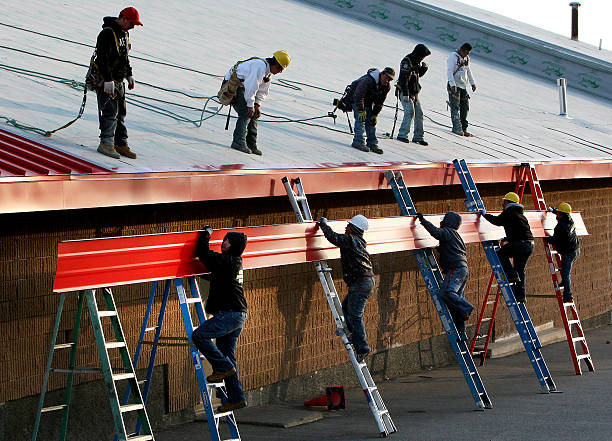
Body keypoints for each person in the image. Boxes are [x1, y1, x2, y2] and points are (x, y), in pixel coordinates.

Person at [191, 226, 248, 412]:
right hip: (235, 315)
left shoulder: (227, 261)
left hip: (231, 314)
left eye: (228, 241)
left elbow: (204, 253)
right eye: (224, 240)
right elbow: (214, 276)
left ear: (235, 245)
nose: (224, 243)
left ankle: (222, 367)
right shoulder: (232, 263)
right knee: (228, 357)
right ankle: (236, 398)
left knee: (199, 336)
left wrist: (205, 235)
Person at [317, 215, 374, 362]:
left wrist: (323, 225)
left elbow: (333, 237)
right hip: (363, 283)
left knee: (355, 315)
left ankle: (362, 349)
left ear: (354, 228)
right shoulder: (358, 241)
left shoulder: (350, 240)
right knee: (346, 308)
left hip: (361, 283)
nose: (346, 227)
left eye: (348, 226)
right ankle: (352, 333)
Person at [93, 7, 142, 159]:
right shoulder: (107, 33)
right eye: (132, 23)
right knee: (110, 112)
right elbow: (102, 59)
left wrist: (129, 74)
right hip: (107, 80)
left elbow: (124, 57)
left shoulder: (124, 34)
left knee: (120, 113)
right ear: (124, 19)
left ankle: (120, 143)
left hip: (119, 80)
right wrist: (107, 80)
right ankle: (106, 144)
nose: (133, 27)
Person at [223, 51, 291, 155]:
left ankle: (251, 144)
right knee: (246, 112)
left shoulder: (268, 72)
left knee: (254, 114)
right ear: (275, 64)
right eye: (280, 68)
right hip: (232, 86)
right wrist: (250, 105)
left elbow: (263, 90)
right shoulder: (259, 67)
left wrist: (257, 105)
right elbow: (251, 87)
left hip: (244, 88)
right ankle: (238, 142)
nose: (280, 71)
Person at [416, 211, 473, 333]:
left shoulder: (447, 232)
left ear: (448, 222)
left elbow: (436, 232)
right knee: (455, 298)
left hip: (456, 269)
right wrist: (440, 249)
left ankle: (466, 308)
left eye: (443, 221)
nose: (441, 223)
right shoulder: (456, 236)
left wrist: (422, 220)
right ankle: (460, 327)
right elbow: (452, 249)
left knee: (446, 292)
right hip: (463, 269)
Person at [479, 192, 534, 303]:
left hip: (520, 244)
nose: (502, 204)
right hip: (528, 245)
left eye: (504, 202)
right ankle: (521, 296)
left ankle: (511, 275)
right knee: (520, 270)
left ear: (508, 202)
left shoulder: (509, 212)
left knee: (500, 253)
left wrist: (485, 215)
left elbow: (497, 221)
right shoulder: (519, 213)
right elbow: (519, 229)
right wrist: (509, 239)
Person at [344, 67, 395, 154]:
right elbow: (358, 96)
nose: (387, 80)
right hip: (356, 100)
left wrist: (375, 114)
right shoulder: (367, 80)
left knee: (371, 121)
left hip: (367, 102)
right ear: (382, 74)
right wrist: (360, 110)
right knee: (361, 119)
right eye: (386, 77)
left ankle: (372, 143)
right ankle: (358, 142)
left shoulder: (386, 86)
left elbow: (380, 102)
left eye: (390, 79)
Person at [395, 44, 431, 145]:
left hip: (414, 92)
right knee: (410, 112)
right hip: (405, 91)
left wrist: (424, 69)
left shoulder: (417, 61)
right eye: (423, 56)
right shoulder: (407, 61)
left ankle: (418, 137)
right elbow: (403, 78)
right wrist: (405, 93)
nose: (423, 58)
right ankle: (402, 134)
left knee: (419, 114)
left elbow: (417, 74)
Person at [544, 203, 580, 303]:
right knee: (565, 272)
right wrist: (553, 210)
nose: (556, 216)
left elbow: (555, 240)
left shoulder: (561, 227)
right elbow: (563, 213)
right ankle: (564, 282)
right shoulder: (569, 220)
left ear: (561, 215)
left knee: (566, 274)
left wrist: (546, 239)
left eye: (558, 214)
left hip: (569, 252)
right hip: (575, 249)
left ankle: (568, 295)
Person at [447, 43, 476, 137]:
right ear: (461, 49)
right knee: (455, 107)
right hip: (455, 85)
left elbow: (468, 70)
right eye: (465, 52)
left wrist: (472, 83)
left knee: (465, 107)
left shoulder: (466, 58)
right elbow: (449, 71)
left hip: (463, 85)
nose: (466, 55)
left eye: (468, 53)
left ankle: (464, 128)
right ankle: (456, 127)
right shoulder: (453, 57)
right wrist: (452, 84)